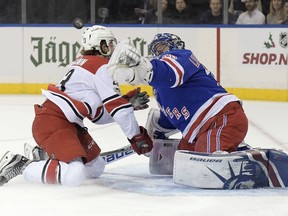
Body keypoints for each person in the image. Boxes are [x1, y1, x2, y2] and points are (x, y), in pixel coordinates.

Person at [0, 25, 153, 186]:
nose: (112, 48)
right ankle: (22, 164)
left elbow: (99, 116)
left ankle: (44, 157)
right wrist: (137, 137)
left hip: (67, 124)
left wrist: (126, 103)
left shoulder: (86, 63)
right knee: (74, 174)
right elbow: (119, 111)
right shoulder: (100, 66)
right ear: (98, 45)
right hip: (53, 123)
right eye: (108, 44)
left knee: (96, 168)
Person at [107, 33, 248, 154]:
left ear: (175, 46)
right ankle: (237, 149)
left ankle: (246, 158)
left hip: (221, 119)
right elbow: (171, 118)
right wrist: (155, 133)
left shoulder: (182, 57)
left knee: (206, 161)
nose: (158, 52)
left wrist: (144, 69)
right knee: (182, 158)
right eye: (156, 49)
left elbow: (170, 73)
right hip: (197, 132)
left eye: (162, 47)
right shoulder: (159, 88)